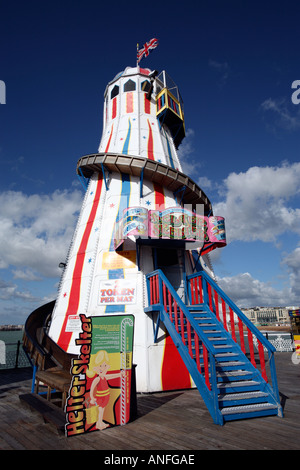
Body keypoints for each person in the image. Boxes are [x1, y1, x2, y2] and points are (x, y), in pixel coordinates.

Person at [89, 350, 125, 430]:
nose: (103, 368)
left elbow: (112, 376)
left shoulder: (104, 377)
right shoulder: (97, 379)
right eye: (100, 366)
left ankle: (100, 422)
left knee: (102, 410)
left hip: (105, 397)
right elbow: (92, 389)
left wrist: (120, 374)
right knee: (100, 411)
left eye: (105, 365)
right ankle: (99, 423)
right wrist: (92, 398)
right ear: (96, 368)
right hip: (100, 398)